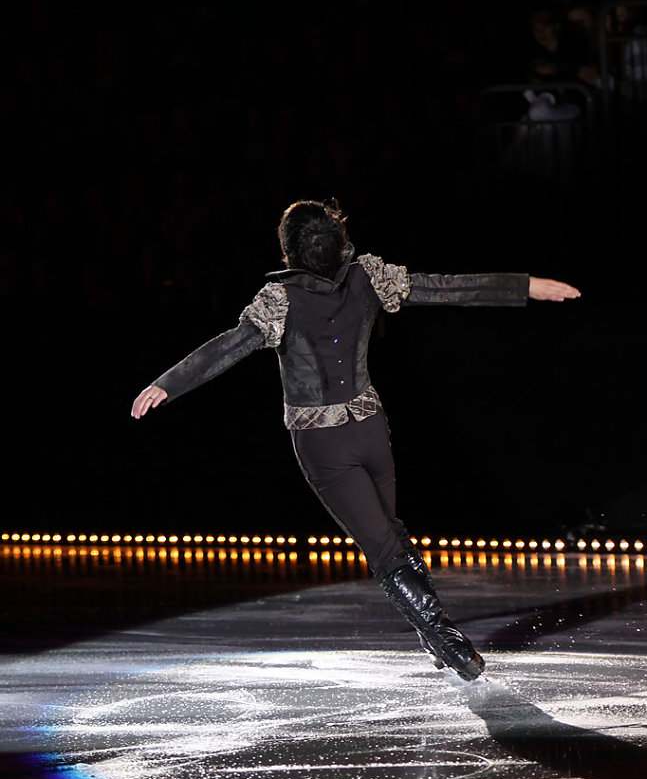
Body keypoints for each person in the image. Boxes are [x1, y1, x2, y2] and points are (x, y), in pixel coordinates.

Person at [132, 200, 580, 682]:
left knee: (385, 544)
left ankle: (444, 637)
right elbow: (445, 288)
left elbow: (228, 346)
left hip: (325, 445)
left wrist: (168, 383)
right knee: (389, 534)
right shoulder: (369, 277)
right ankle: (436, 634)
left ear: (288, 250)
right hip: (369, 429)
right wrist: (526, 285)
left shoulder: (281, 300)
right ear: (337, 241)